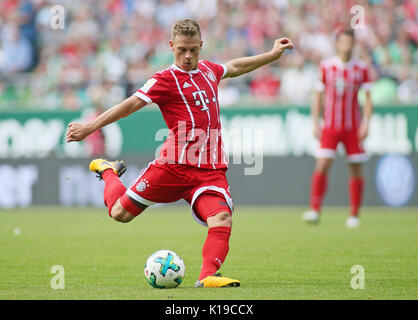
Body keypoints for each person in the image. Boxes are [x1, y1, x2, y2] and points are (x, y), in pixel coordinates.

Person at [66, 18, 293, 287]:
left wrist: (271, 54)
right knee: (119, 213)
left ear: (201, 46)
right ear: (172, 46)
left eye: (193, 50)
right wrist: (90, 126)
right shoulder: (165, 79)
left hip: (209, 171)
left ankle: (207, 276)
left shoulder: (209, 70)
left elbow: (233, 67)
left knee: (221, 217)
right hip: (172, 167)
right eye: (181, 50)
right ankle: (107, 170)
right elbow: (129, 105)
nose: (187, 56)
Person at [302, 30, 373, 228]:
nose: (347, 46)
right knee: (322, 165)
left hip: (353, 127)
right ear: (337, 44)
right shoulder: (326, 67)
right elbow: (318, 96)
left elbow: (368, 100)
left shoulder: (361, 69)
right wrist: (315, 121)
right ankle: (315, 210)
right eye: (343, 42)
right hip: (331, 126)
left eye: (350, 42)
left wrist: (367, 123)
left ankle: (354, 214)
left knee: (355, 168)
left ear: (354, 44)